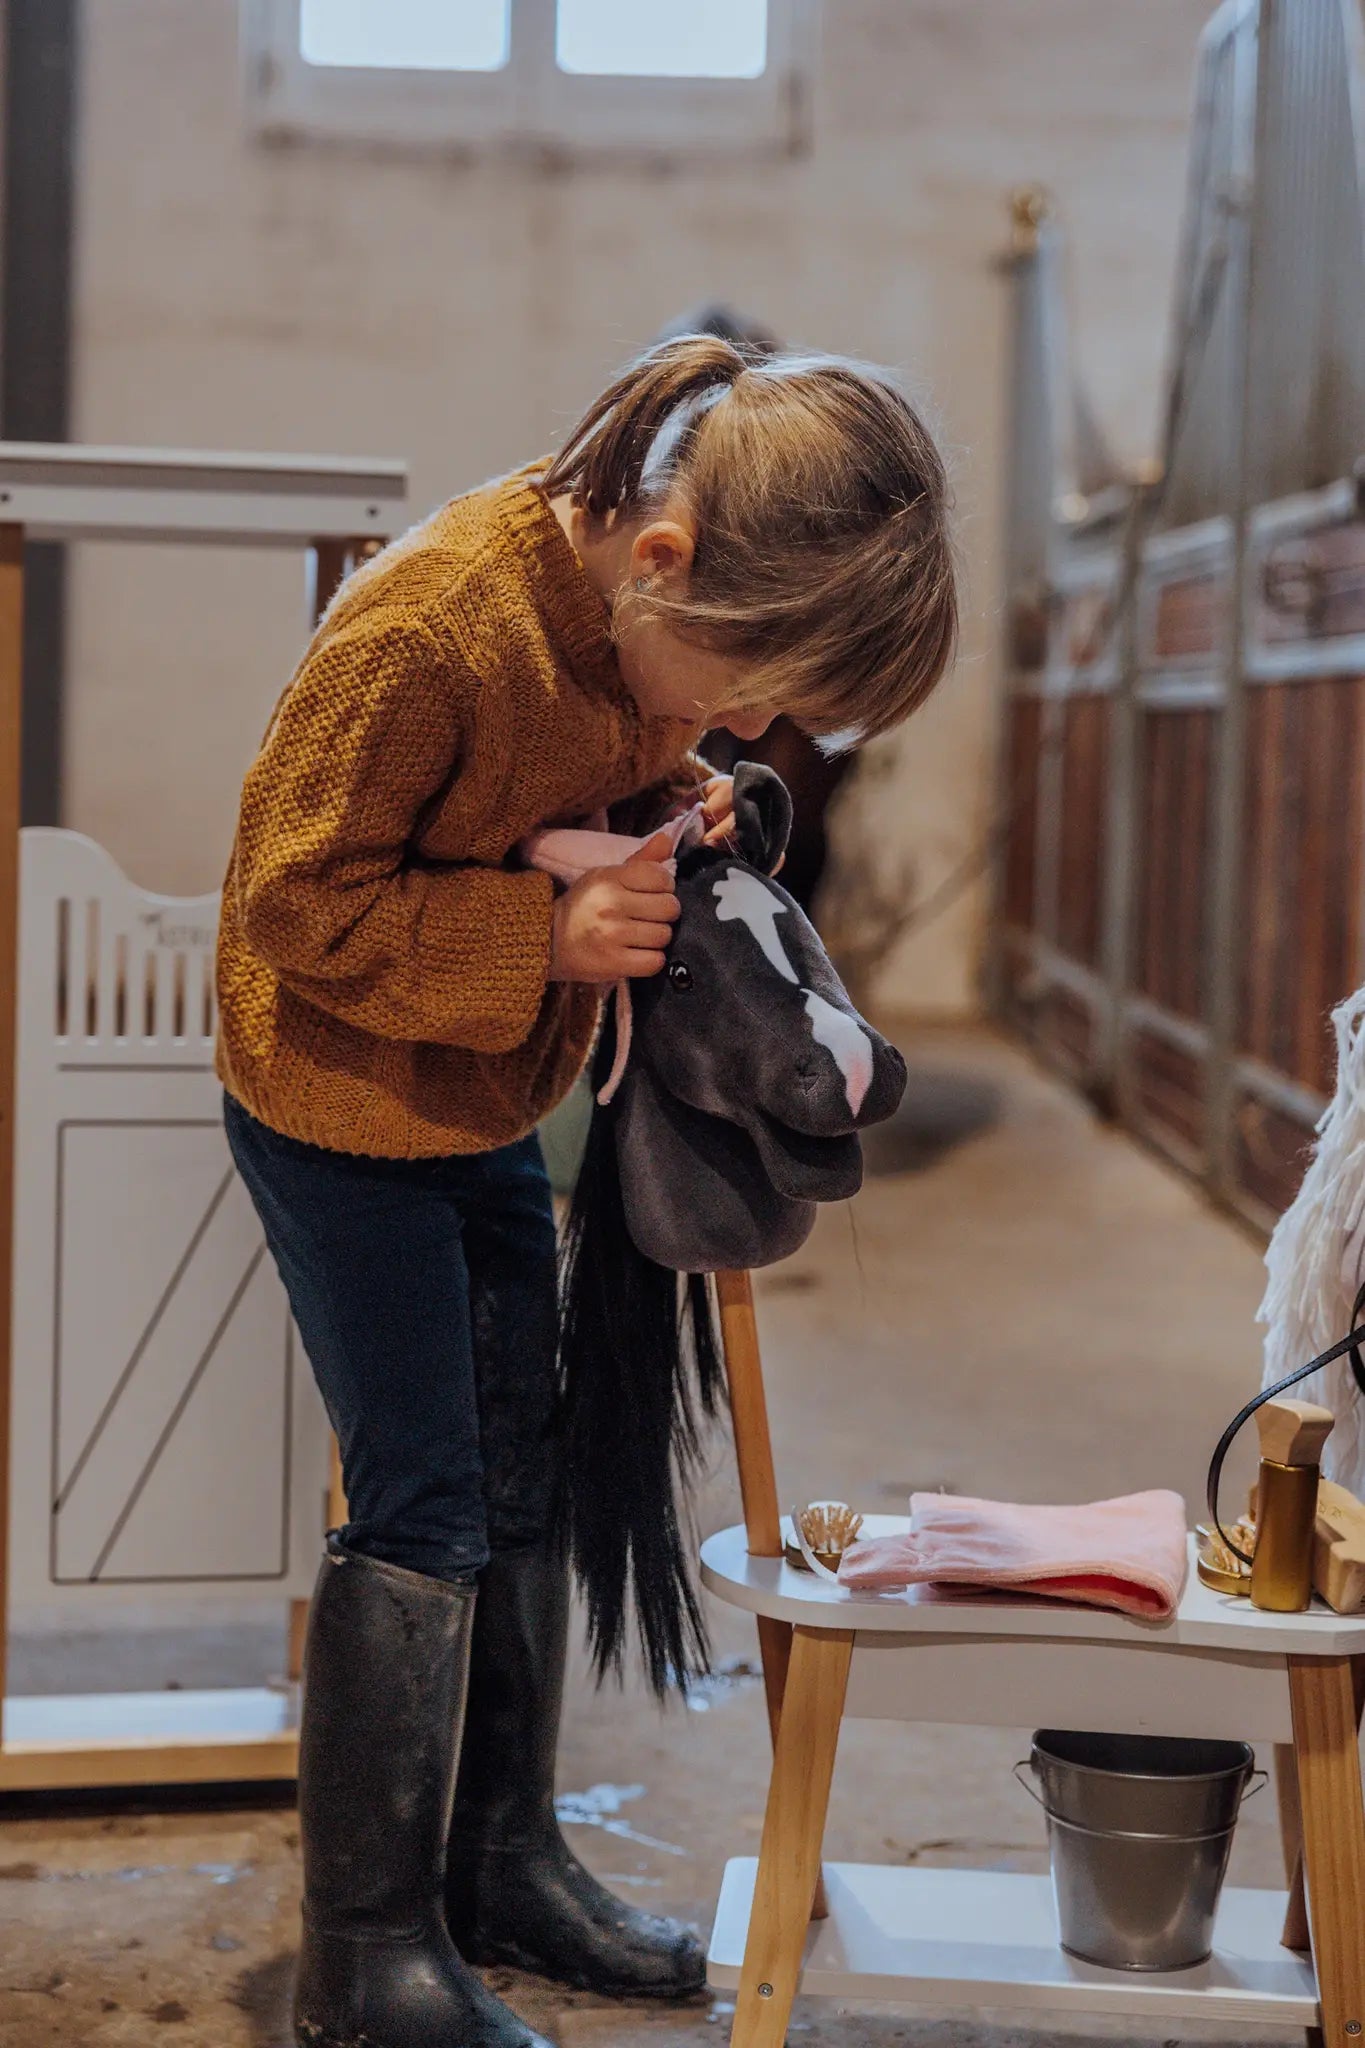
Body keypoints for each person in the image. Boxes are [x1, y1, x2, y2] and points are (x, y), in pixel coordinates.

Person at [216, 333, 957, 2048]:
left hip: (475, 1088)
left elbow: (579, 758)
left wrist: (663, 783)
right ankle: (364, 1950)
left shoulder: (636, 623)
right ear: (661, 556)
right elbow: (291, 907)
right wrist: (544, 937)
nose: (753, 720)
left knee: (520, 1466)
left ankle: (501, 1859)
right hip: (336, 1102)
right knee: (422, 1501)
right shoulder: (424, 632)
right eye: (745, 683)